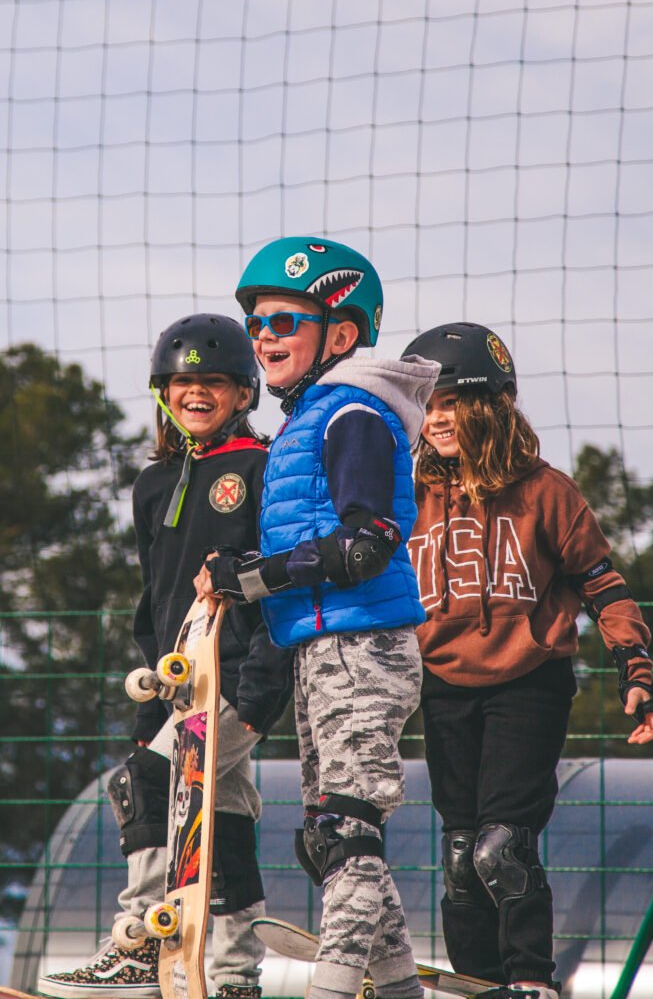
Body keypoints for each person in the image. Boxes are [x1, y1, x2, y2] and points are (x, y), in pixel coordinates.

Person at [195, 237, 440, 999]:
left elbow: (368, 545)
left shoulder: (353, 414)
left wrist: (256, 578)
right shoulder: (310, 420)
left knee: (342, 831)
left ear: (340, 334)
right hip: (322, 644)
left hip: (363, 642)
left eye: (284, 321)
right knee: (333, 837)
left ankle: (330, 989)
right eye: (257, 322)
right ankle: (398, 990)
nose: (263, 336)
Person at [401, 322, 653, 999]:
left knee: (502, 848)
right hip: (442, 684)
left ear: (491, 407)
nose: (437, 420)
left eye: (451, 403)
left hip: (529, 683)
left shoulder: (546, 493)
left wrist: (635, 668)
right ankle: (474, 983)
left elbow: (604, 586)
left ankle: (529, 981)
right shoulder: (410, 498)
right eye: (427, 406)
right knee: (462, 856)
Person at [38, 314, 292, 999]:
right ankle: (235, 976)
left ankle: (140, 945)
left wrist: (264, 680)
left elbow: (277, 581)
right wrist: (154, 693)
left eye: (213, 382)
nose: (196, 393)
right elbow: (155, 594)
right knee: (227, 824)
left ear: (243, 393)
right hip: (178, 678)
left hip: (240, 676)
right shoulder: (154, 484)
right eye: (183, 382)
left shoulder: (260, 468)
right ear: (163, 392)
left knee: (146, 782)